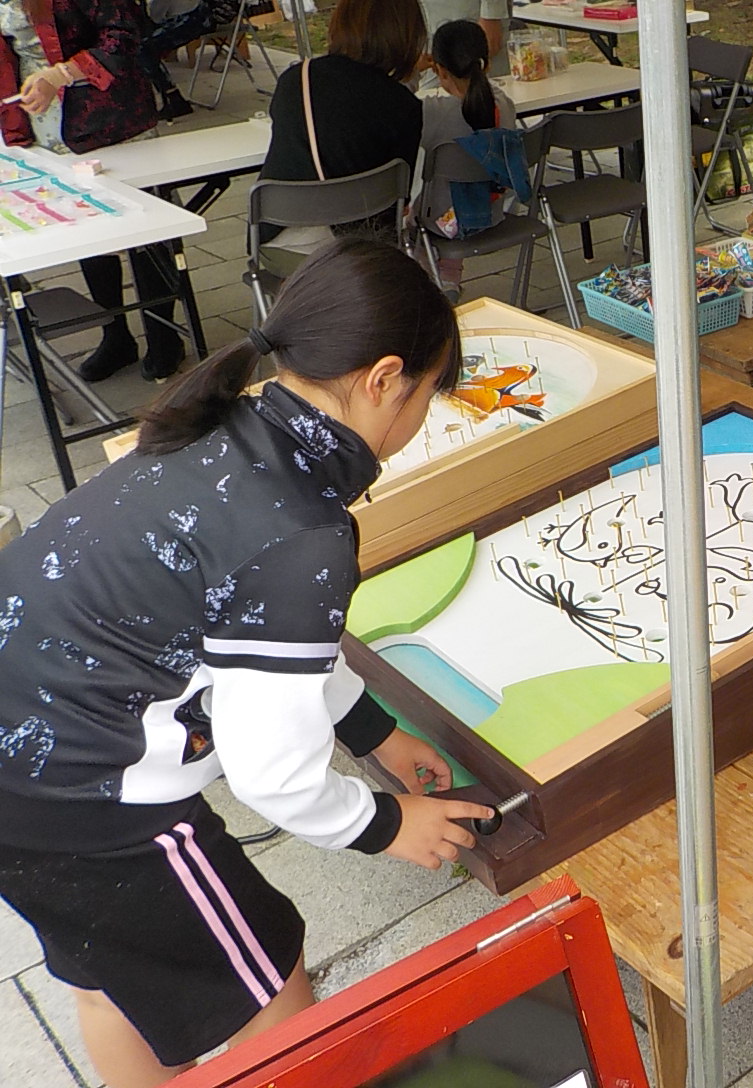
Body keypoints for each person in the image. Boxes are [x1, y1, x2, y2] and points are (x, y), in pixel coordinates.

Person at [0, 237, 495, 1088]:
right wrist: (383, 824)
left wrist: (374, 732)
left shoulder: (218, 423)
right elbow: (273, 773)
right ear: (385, 379)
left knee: (116, 983)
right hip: (88, 791)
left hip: (21, 751)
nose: (423, 415)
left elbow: (264, 642)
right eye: (429, 392)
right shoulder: (303, 530)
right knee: (270, 984)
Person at [0, 0, 185, 382]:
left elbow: (122, 36)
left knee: (145, 230)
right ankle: (115, 334)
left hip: (109, 114)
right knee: (86, 232)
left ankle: (164, 335)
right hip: (42, 119)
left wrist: (61, 74)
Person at [258, 0, 426, 259]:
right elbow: (399, 199)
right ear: (407, 38)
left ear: (341, 20)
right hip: (364, 251)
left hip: (283, 238)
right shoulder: (403, 105)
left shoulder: (296, 79)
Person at [416, 18, 518, 296]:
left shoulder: (432, 113)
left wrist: (411, 73)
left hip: (443, 222)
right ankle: (449, 275)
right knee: (458, 188)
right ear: (486, 64)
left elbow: (398, 105)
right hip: (493, 213)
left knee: (418, 197)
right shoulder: (504, 105)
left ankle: (428, 273)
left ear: (439, 70)